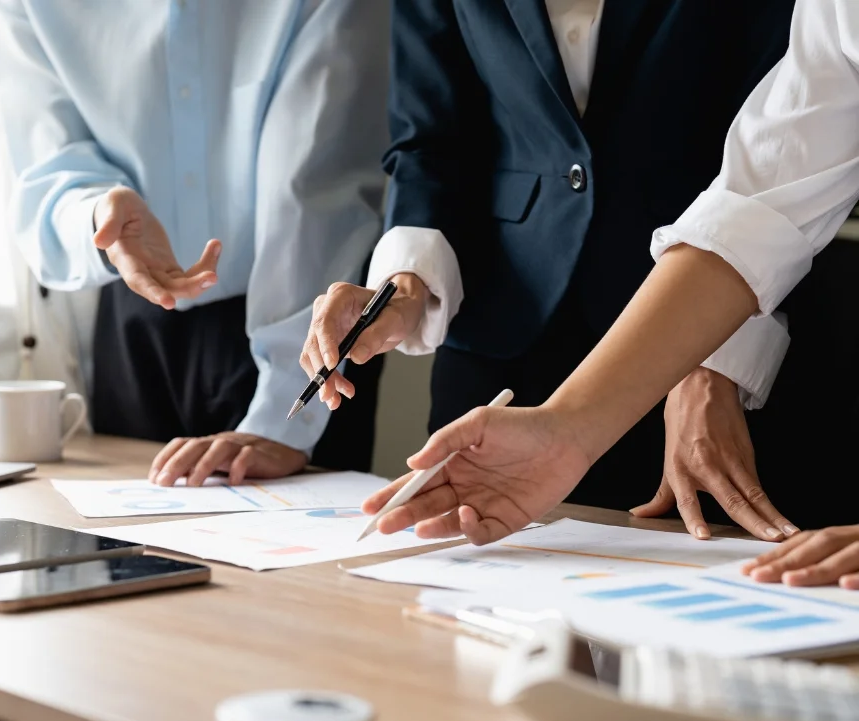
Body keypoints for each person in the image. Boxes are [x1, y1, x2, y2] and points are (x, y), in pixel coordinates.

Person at [360, 0, 859, 588]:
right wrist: (565, 431)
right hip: (533, 327)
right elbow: (769, 188)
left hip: (732, 352)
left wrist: (710, 364)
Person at [0, 0, 389, 487]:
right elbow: (47, 156)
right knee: (129, 547)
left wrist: (283, 416)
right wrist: (97, 212)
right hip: (132, 308)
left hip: (308, 318)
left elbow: (314, 183)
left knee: (299, 552)